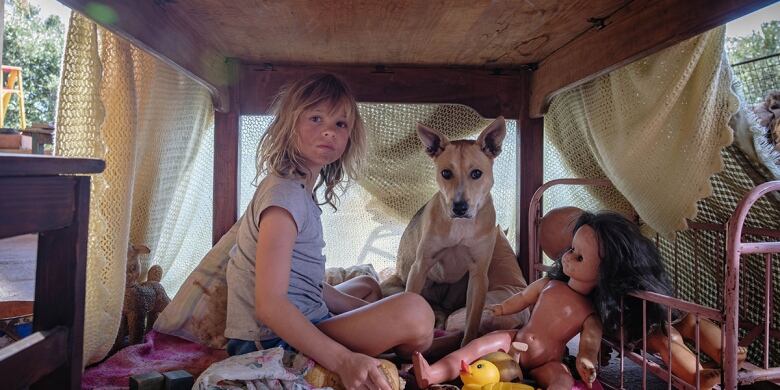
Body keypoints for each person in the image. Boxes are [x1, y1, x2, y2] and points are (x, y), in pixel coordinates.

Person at [224, 73, 434, 390]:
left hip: (303, 319)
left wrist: (372, 313)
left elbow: (305, 283)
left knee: (366, 285)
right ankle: (419, 349)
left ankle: (410, 343)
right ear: (289, 124)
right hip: (271, 342)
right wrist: (343, 360)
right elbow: (270, 305)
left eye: (340, 124)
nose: (328, 130)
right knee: (416, 311)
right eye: (315, 118)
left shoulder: (299, 189)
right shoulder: (285, 198)